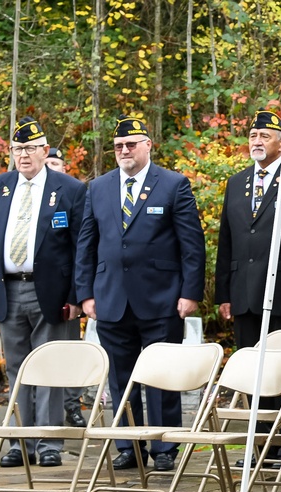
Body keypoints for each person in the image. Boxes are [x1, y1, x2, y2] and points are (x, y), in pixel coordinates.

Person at [75, 114, 205, 473]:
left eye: (131, 144)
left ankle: (164, 446)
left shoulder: (173, 184)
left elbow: (191, 244)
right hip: (111, 297)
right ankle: (128, 445)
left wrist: (190, 292)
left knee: (163, 376)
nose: (124, 151)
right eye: (118, 146)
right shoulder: (98, 188)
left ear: (148, 145)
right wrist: (86, 292)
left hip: (162, 297)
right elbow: (86, 244)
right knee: (120, 376)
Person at [0, 116, 87, 467]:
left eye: (29, 148)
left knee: (50, 367)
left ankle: (49, 442)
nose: (23, 155)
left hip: (52, 294)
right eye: (17, 149)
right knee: (17, 367)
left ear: (44, 150)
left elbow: (79, 249)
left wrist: (75, 297)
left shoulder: (69, 188)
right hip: (8, 291)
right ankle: (19, 442)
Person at [215, 109, 281, 347]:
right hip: (243, 298)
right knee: (249, 372)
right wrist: (224, 294)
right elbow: (226, 240)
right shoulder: (237, 183)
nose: (257, 141)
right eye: (252, 136)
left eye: (264, 136)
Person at [42, 145, 87, 428]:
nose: (50, 168)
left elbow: (81, 247)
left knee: (70, 350)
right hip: (38, 291)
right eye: (47, 162)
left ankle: (72, 405)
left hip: (67, 292)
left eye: (55, 163)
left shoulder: (74, 194)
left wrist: (78, 293)